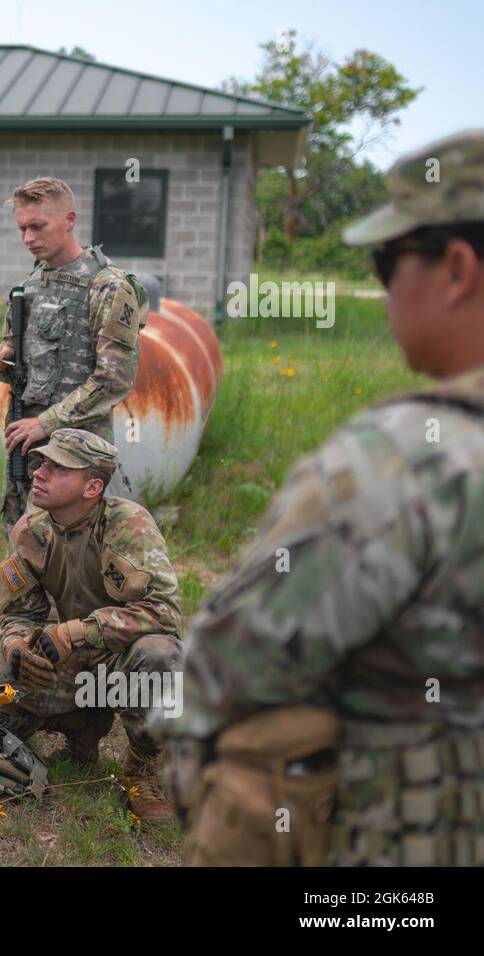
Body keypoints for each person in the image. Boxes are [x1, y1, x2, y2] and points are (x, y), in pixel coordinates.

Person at [161, 128, 484, 866]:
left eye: (387, 259)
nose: (384, 285)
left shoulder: (395, 467)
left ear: (457, 268)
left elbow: (221, 679)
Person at [0, 428, 182, 822]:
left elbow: (164, 611)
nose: (39, 472)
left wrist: (76, 632)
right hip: (63, 659)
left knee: (163, 657)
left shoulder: (129, 526)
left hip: (121, 662)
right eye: (41, 463)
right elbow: (18, 612)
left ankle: (141, 768)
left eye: (58, 468)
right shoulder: (31, 530)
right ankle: (82, 723)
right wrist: (17, 645)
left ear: (92, 486)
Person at [0, 177, 145, 537]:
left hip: (78, 451)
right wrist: (4, 360)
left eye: (37, 226)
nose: (28, 238)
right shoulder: (31, 283)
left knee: (76, 552)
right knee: (25, 543)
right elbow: (27, 370)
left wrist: (46, 422)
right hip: (27, 444)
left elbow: (113, 380)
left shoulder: (108, 286)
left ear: (69, 219)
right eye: (22, 228)